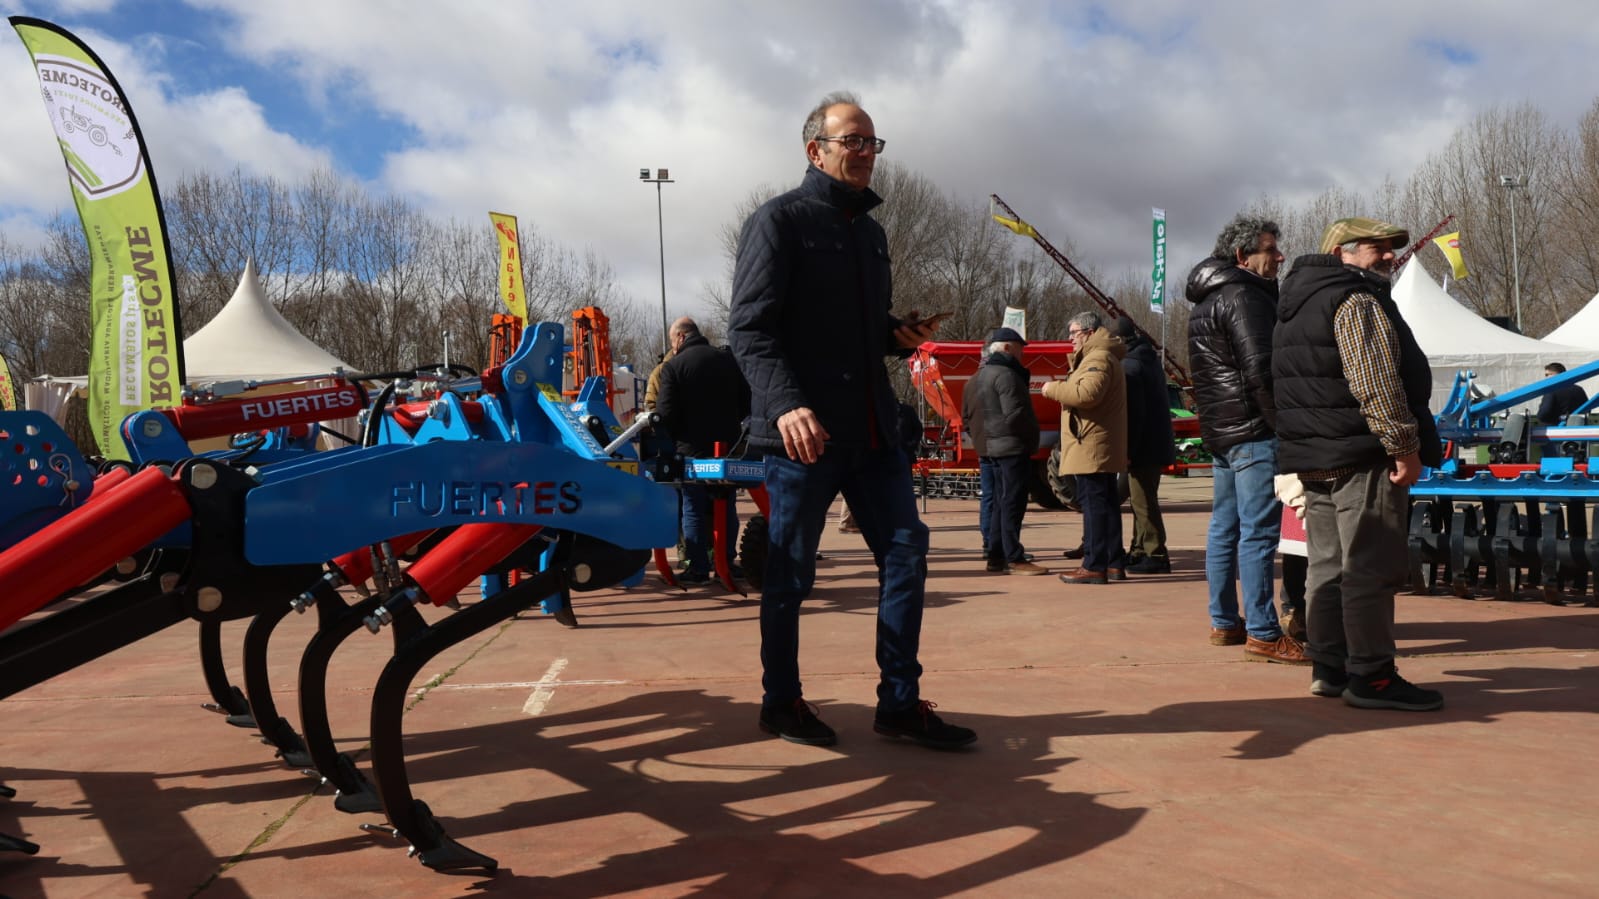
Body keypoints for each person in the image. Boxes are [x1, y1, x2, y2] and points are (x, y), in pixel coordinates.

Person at [728, 91, 976, 750]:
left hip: (871, 430)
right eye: (852, 141)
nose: (865, 153)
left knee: (905, 551)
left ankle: (897, 702)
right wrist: (785, 404)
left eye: (872, 142)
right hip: (803, 435)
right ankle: (779, 700)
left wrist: (896, 335)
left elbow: (859, 333)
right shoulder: (778, 221)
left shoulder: (870, 232)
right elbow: (749, 329)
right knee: (790, 573)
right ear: (815, 150)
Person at [1273, 216, 1445, 711]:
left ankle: (1330, 667)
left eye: (1394, 248)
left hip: (1315, 455)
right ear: (1343, 251)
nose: (1392, 255)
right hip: (1361, 454)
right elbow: (1376, 382)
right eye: (1380, 247)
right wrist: (1403, 447)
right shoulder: (1354, 298)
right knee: (1370, 567)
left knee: (1326, 566)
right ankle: (1371, 676)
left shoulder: (1295, 303)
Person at [1185, 214, 1305, 664]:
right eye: (1270, 250)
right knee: (1257, 533)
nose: (1279, 257)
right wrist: (1284, 427)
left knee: (1224, 528)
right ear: (1242, 256)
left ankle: (1224, 620)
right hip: (1254, 430)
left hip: (1222, 431)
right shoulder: (1244, 296)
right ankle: (1262, 629)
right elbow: (1260, 369)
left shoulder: (1205, 299)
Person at [656, 316, 750, 585]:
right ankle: (726, 562)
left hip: (690, 450)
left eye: (673, 339)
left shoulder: (674, 367)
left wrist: (672, 439)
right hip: (727, 448)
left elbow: (666, 415)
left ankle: (698, 568)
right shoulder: (729, 361)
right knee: (726, 504)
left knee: (693, 507)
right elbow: (746, 403)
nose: (672, 346)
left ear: (681, 337)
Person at [1043, 311, 1126, 585]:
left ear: (1090, 333)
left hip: (1091, 444)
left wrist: (1052, 388)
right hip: (1095, 442)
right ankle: (1113, 563)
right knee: (1106, 504)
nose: (1070, 339)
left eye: (1074, 333)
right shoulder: (1101, 356)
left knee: (1094, 506)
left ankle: (1094, 564)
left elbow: (1086, 394)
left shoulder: (1098, 358)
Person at [963, 327, 1047, 576]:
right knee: (1012, 502)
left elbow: (966, 418)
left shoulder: (974, 378)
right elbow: (1017, 414)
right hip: (1010, 448)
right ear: (1008, 347)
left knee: (998, 502)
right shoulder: (1008, 375)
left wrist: (984, 441)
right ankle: (1014, 556)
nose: (1023, 354)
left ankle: (996, 555)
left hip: (989, 449)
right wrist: (1029, 438)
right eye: (1020, 348)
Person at [1109, 316, 1175, 574]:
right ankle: (1139, 550)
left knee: (1144, 503)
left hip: (1144, 446)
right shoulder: (1146, 359)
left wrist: (1128, 451)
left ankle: (1155, 554)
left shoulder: (1130, 367)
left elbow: (1134, 416)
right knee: (1141, 500)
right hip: (1154, 443)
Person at [1536, 362, 1588, 458]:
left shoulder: (1551, 390)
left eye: (1548, 374)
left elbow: (1544, 413)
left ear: (1558, 374)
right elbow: (1587, 409)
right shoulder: (1579, 389)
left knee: (1553, 463)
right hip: (1577, 434)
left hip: (1553, 434)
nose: (1546, 378)